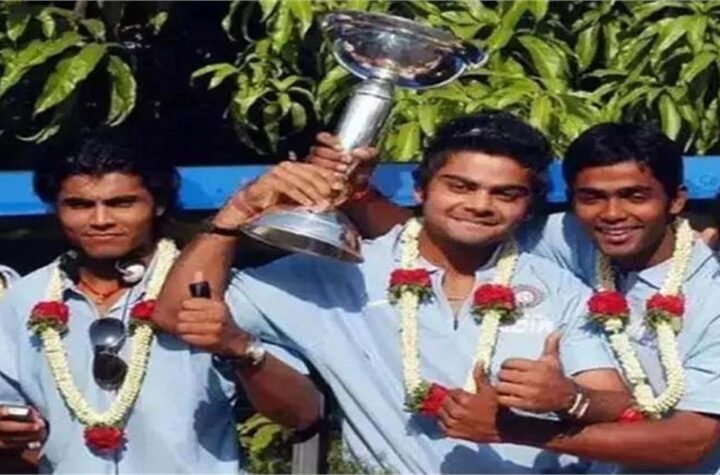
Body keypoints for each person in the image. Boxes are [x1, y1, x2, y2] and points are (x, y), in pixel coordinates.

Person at [154, 112, 629, 473]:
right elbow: (177, 315)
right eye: (460, 186)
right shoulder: (341, 272)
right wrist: (236, 213)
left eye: (505, 194)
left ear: (527, 206)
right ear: (421, 190)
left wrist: (568, 397)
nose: (480, 205)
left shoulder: (554, 286)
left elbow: (615, 400)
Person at [313, 122, 720, 471]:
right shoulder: (570, 238)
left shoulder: (711, 293)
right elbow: (454, 231)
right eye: (592, 197)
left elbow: (691, 441)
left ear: (676, 200)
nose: (612, 214)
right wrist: (358, 192)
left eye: (636, 196)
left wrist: (516, 428)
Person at [0, 128, 321, 473]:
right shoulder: (25, 298)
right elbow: (14, 432)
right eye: (80, 205)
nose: (100, 220)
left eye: (122, 203)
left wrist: (239, 347)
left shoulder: (215, 290)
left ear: (159, 204)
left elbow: (304, 413)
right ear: (56, 209)